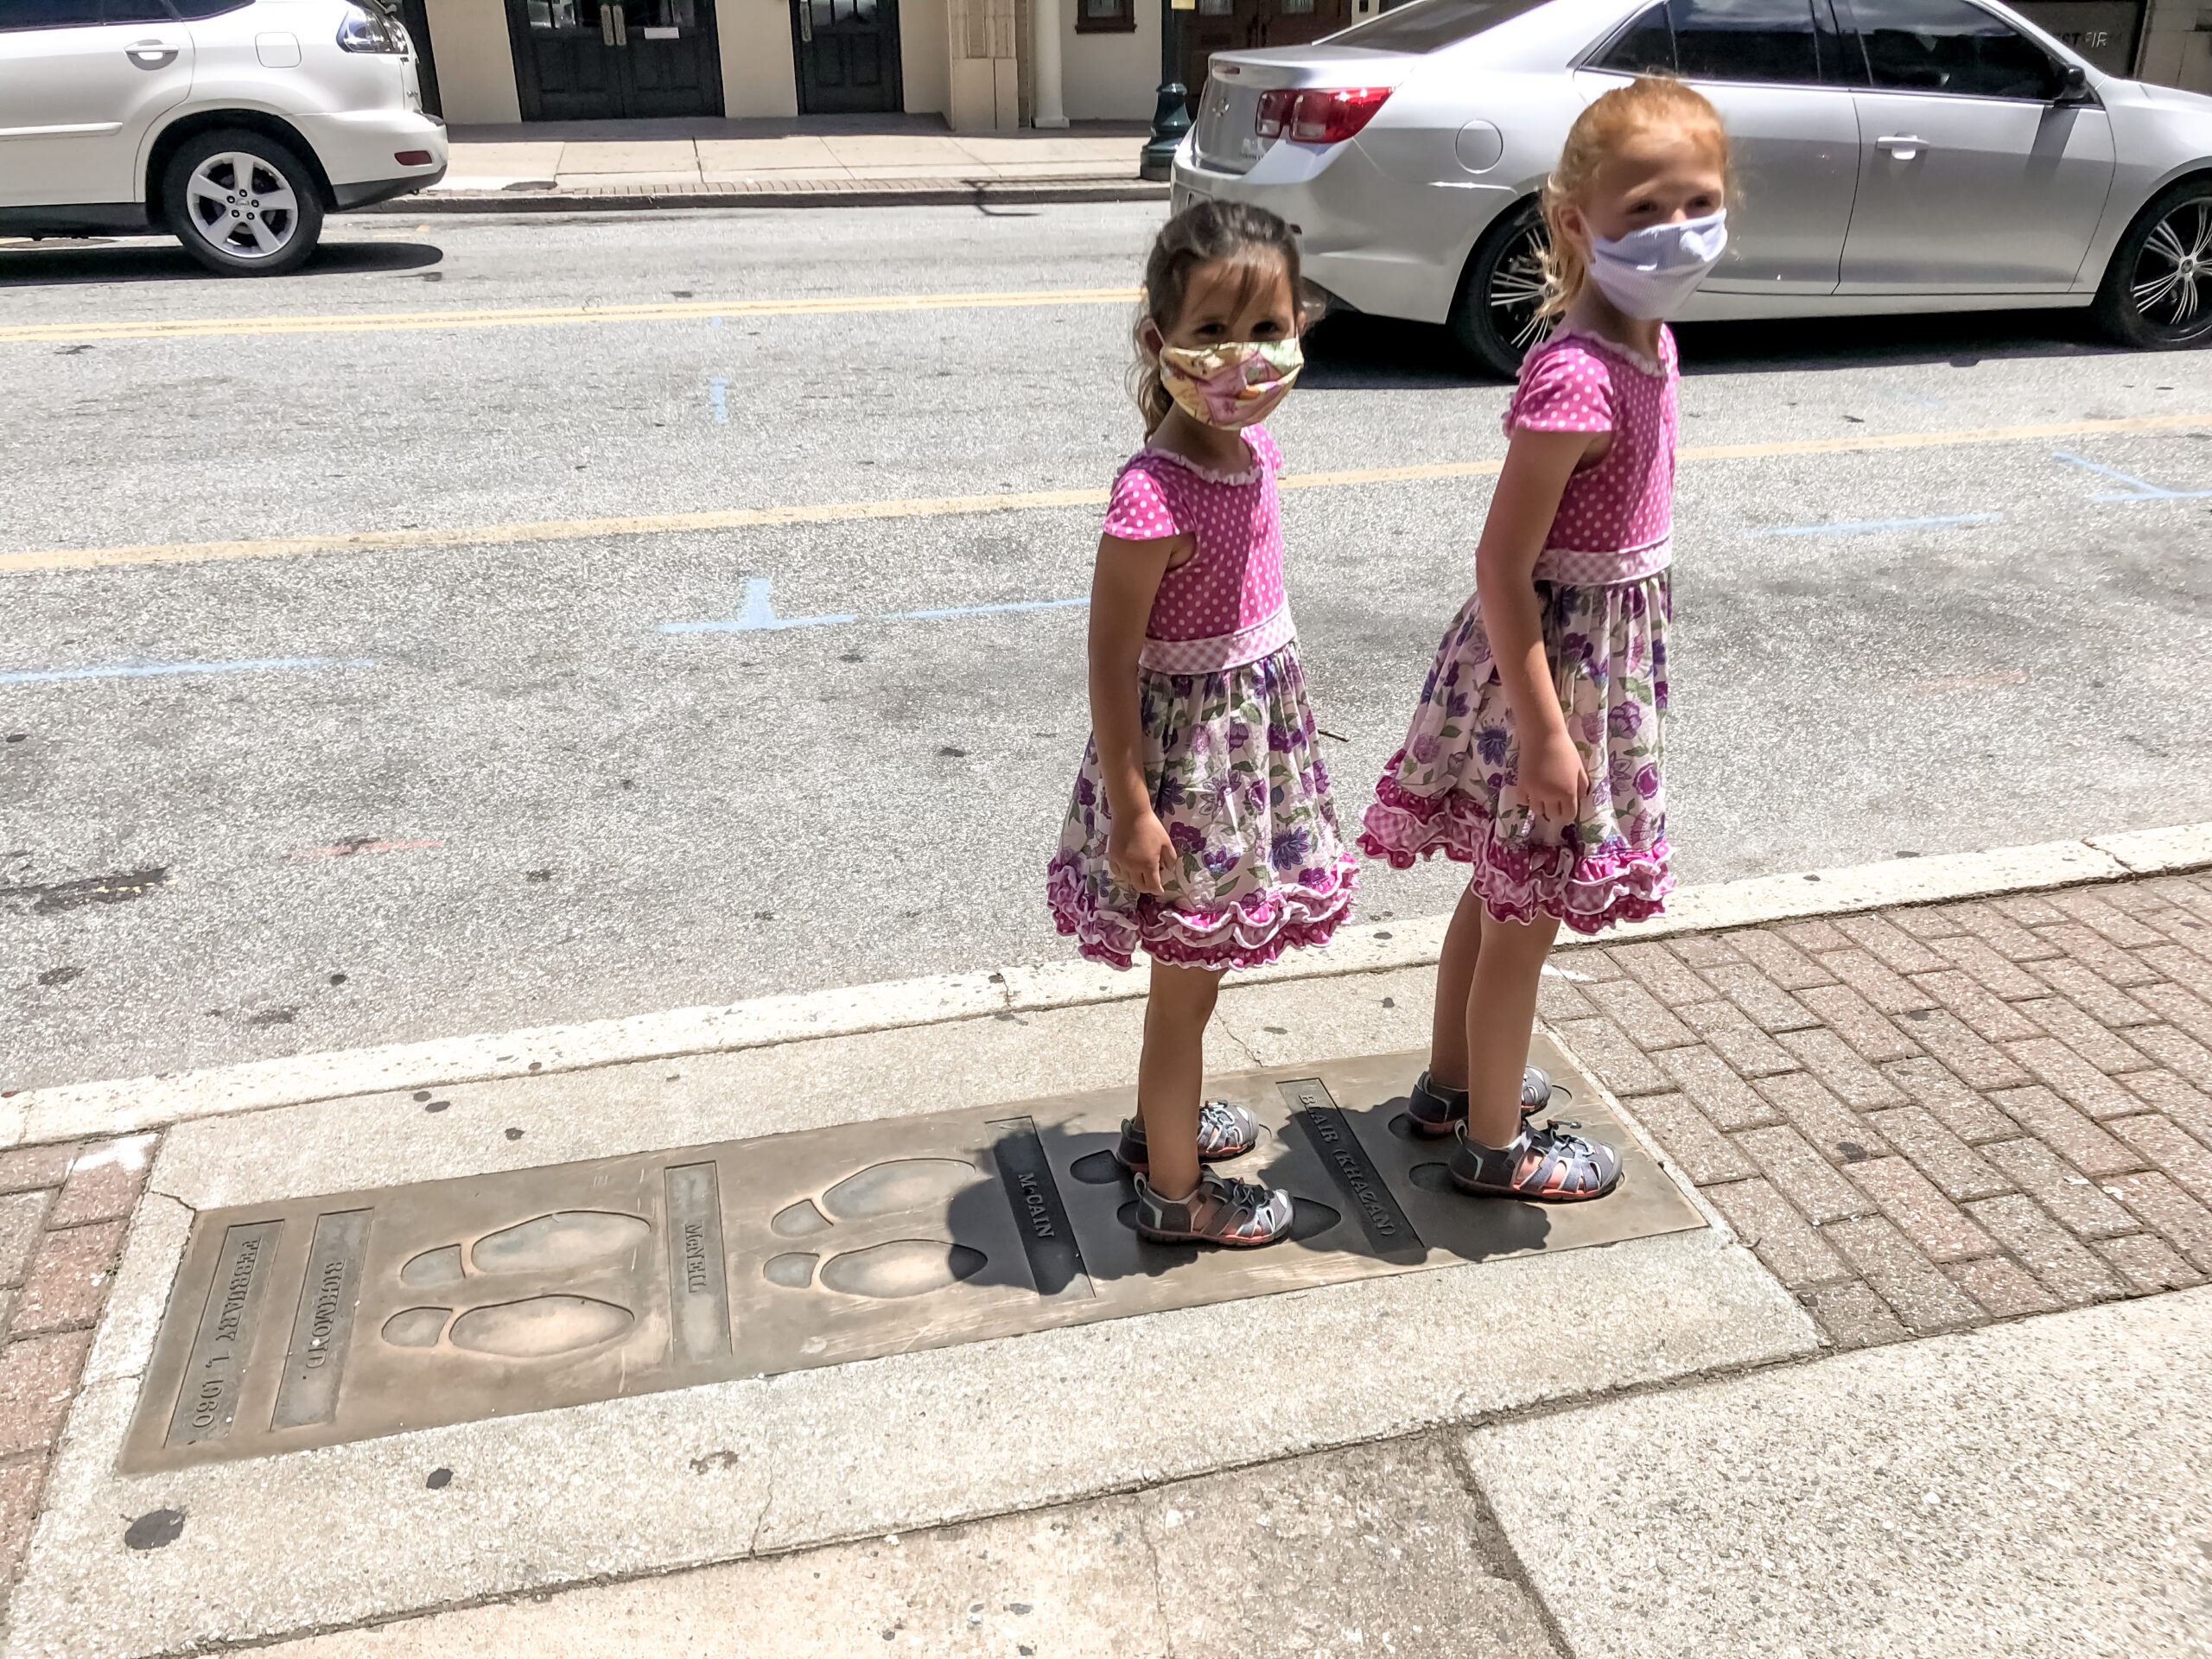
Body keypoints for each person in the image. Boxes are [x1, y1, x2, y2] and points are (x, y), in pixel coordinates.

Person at [1358, 77, 1730, 1201]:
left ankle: (1453, 1086)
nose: (1676, 233)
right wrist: (1546, 733)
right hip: (1553, 680)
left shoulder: (1649, 343)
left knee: (1500, 890)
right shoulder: (1577, 376)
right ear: (1577, 223)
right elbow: (1502, 566)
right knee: (1526, 920)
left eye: (1701, 203)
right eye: (1642, 214)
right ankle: (1491, 1148)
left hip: (1590, 668)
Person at [1046, 200, 1357, 1247]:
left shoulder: (1251, 457)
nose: (1245, 359)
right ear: (1158, 342)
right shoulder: (1153, 493)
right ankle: (1177, 1199)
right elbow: (1110, 659)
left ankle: (1163, 1132)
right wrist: (1133, 810)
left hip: (1245, 758)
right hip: (1185, 782)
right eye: (1215, 332)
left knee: (1199, 984)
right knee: (1182, 997)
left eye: (1270, 330)